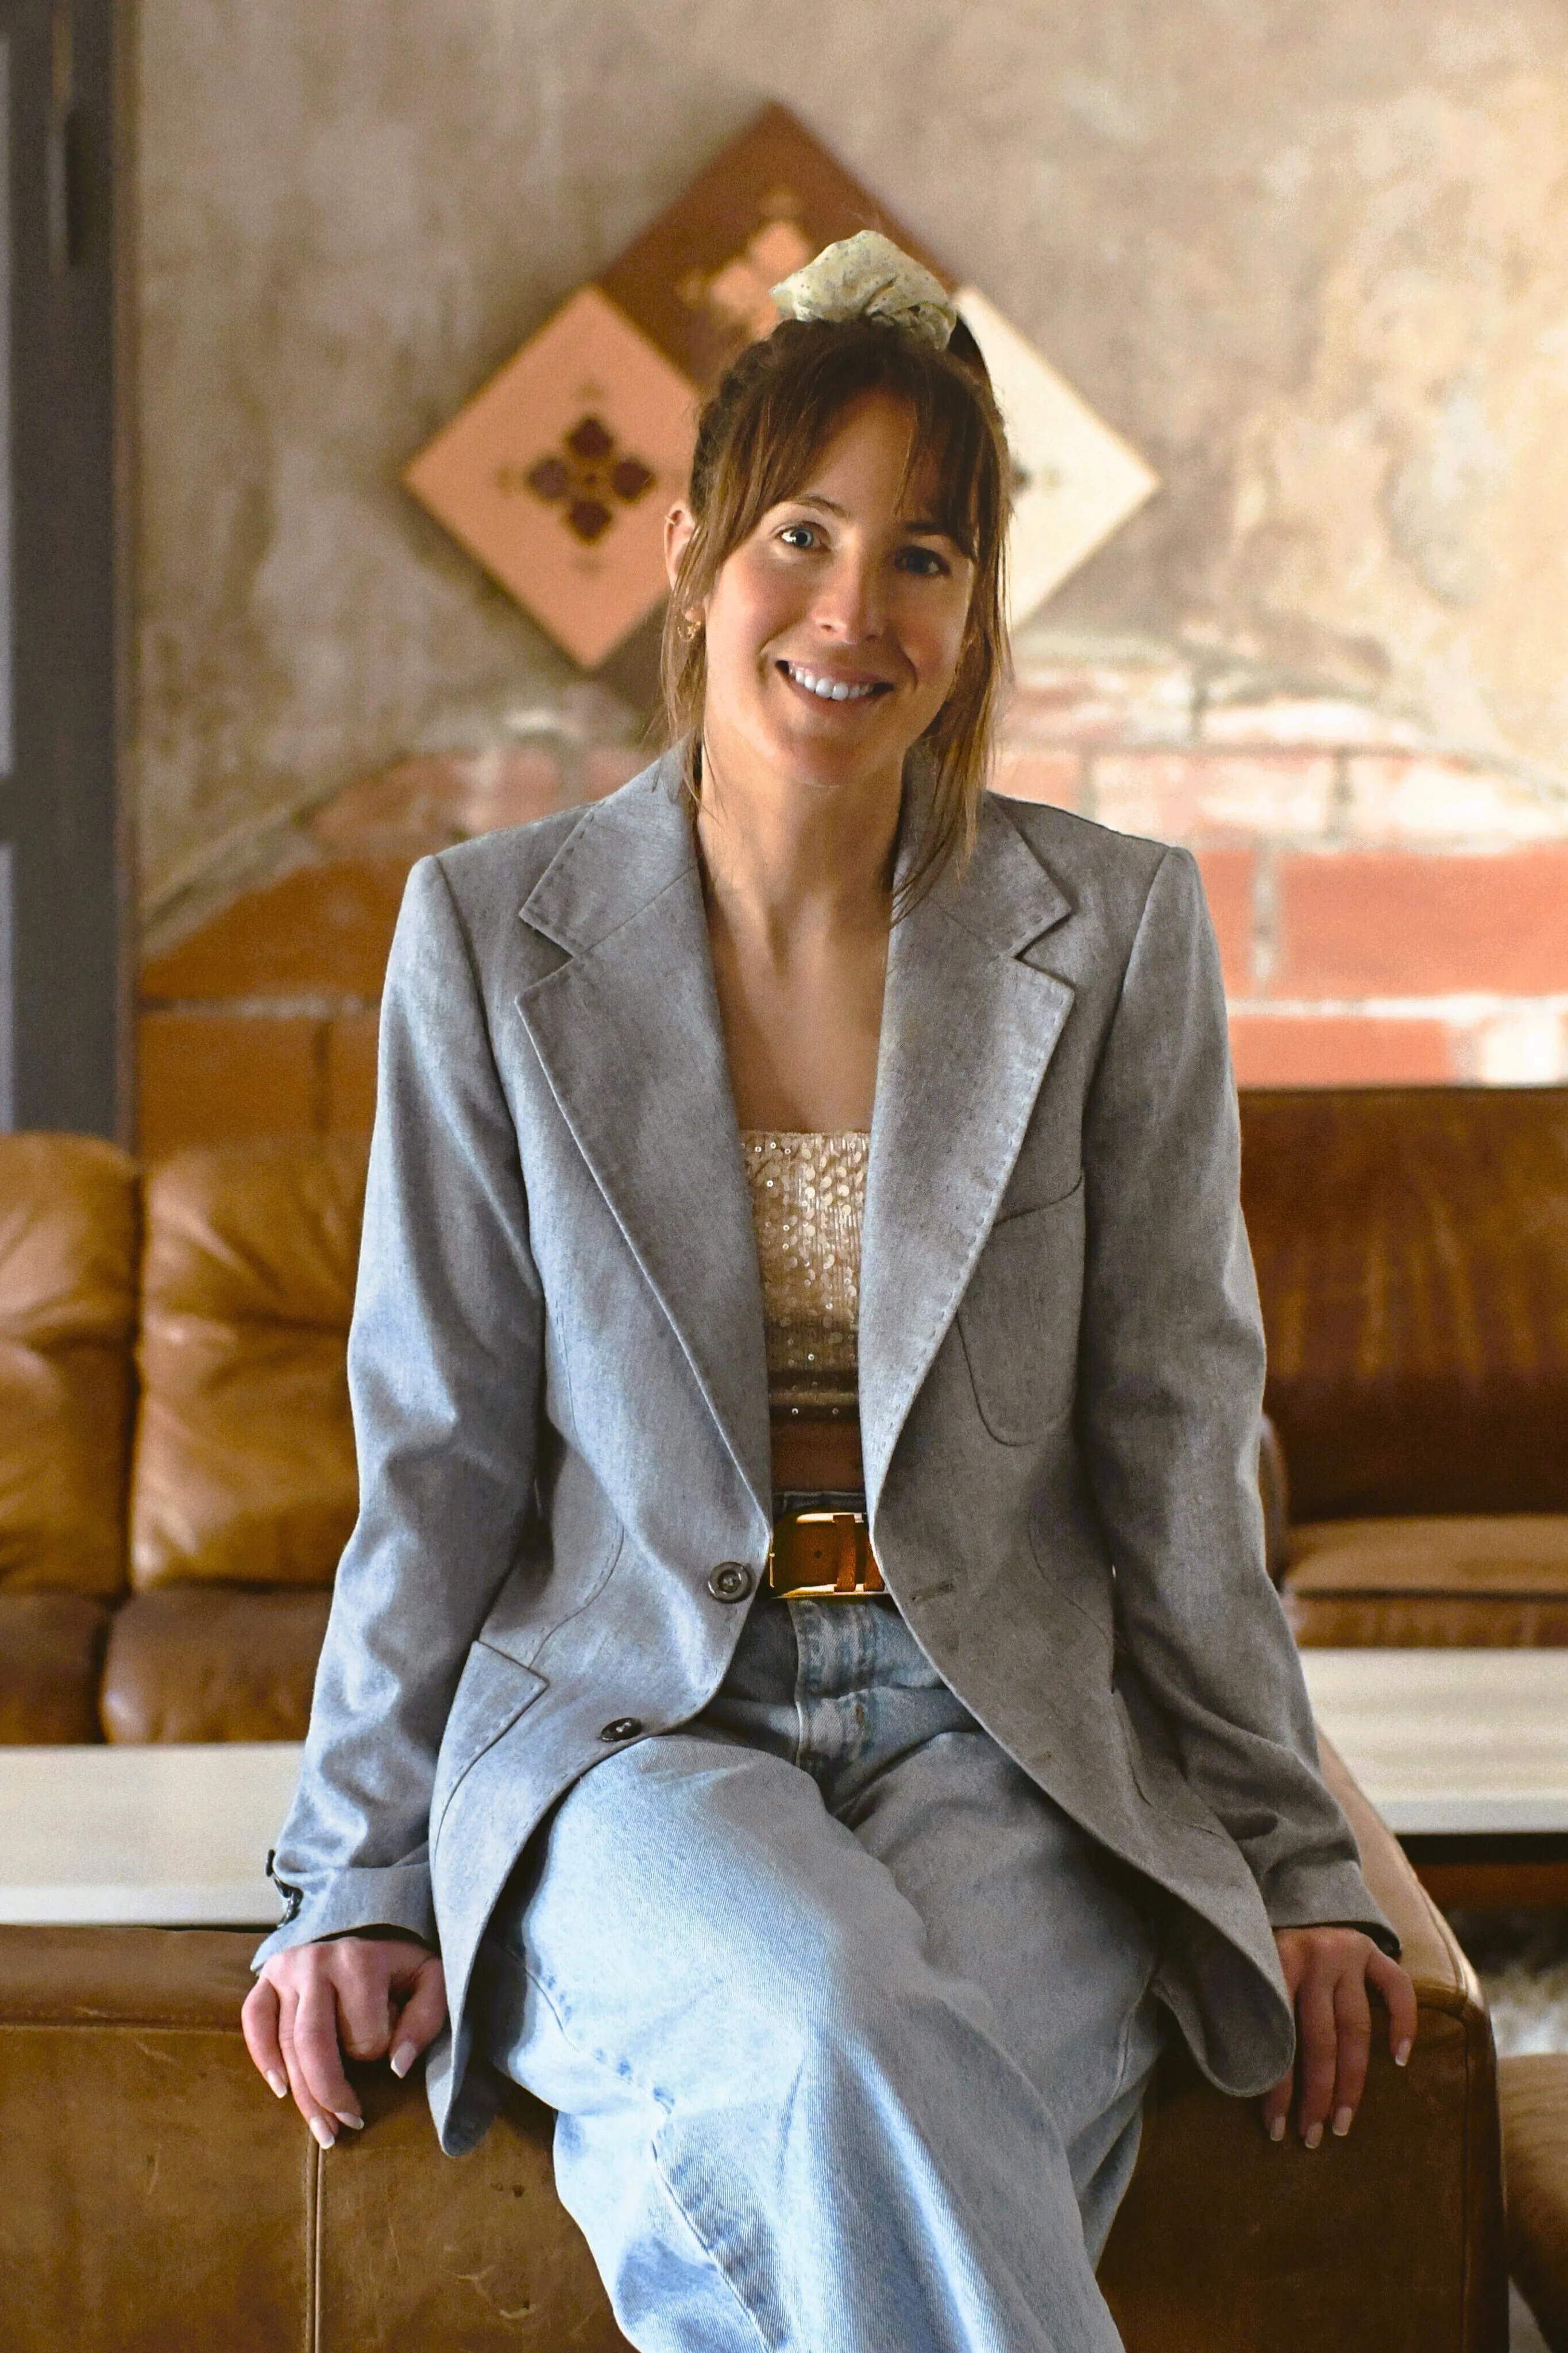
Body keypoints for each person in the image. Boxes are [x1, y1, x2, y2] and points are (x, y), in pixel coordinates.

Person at [243, 232, 1417, 2352]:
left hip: (1006, 1729)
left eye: (926, 558)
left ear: (977, 620)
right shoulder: (492, 936)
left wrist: (1297, 1855)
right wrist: (357, 1869)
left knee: (830, 2152)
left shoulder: (1115, 933)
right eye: (802, 533)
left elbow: (1174, 1439)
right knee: (829, 2019)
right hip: (639, 1722)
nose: (853, 612)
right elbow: (435, 1446)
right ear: (694, 557)